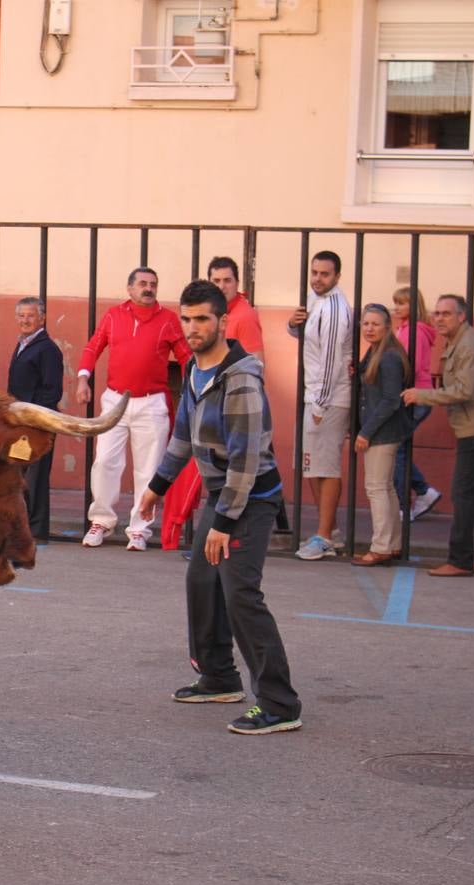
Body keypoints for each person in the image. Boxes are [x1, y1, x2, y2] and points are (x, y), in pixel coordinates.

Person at [138, 280, 300, 736]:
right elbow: (184, 437)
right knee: (201, 580)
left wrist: (224, 523)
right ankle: (218, 677)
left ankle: (279, 703)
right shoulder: (194, 370)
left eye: (202, 319)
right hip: (222, 493)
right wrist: (156, 487)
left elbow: (247, 461)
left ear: (223, 322)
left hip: (250, 497)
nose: (192, 328)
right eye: (186, 319)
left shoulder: (241, 378)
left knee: (240, 594)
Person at [75, 267, 188, 551]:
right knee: (104, 463)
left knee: (148, 469)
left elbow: (186, 355)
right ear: (130, 289)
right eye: (142, 284)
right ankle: (100, 521)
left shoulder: (168, 319)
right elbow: (93, 347)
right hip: (115, 400)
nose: (148, 288)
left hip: (152, 402)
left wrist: (195, 389)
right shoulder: (113, 315)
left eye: (153, 284)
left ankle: (139, 528)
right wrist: (83, 379)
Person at [403, 295, 474, 577]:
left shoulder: (470, 344)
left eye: (446, 313)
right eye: (436, 313)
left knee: (463, 493)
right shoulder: (461, 341)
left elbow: (464, 391)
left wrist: (421, 395)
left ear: (462, 316)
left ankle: (460, 560)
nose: (439, 318)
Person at [288, 250, 353, 561]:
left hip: (326, 399)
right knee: (312, 466)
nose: (317, 278)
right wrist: (291, 324)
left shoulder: (336, 308)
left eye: (324, 274)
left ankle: (325, 536)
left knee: (325, 467)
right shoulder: (316, 301)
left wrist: (320, 403)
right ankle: (332, 531)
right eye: (314, 272)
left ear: (337, 277)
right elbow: (307, 339)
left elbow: (332, 360)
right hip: (313, 395)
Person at [351, 304, 411, 567]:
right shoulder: (376, 352)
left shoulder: (388, 357)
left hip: (382, 432)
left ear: (387, 327)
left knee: (376, 488)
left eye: (375, 324)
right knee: (386, 488)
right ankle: (393, 544)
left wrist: (365, 432)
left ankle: (381, 547)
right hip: (383, 431)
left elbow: (390, 400)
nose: (369, 328)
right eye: (366, 323)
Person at [8, 296, 64, 542]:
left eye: (30, 316)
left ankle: (37, 531)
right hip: (21, 424)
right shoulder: (23, 344)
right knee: (20, 475)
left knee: (36, 478)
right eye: (21, 316)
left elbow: (52, 391)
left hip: (38, 425)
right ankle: (23, 527)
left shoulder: (48, 349)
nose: (25, 320)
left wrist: (34, 418)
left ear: (42, 318)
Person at [390, 287, 442, 521]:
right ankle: (423, 491)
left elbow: (411, 364)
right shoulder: (407, 329)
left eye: (402, 303)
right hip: (414, 394)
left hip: (414, 395)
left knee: (397, 450)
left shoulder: (415, 332)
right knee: (399, 449)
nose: (397, 307)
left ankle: (404, 505)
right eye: (396, 303)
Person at [206, 256, 265, 361]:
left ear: (237, 284)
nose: (221, 286)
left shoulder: (245, 317)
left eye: (227, 280)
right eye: (216, 281)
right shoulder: (210, 310)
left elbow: (255, 365)